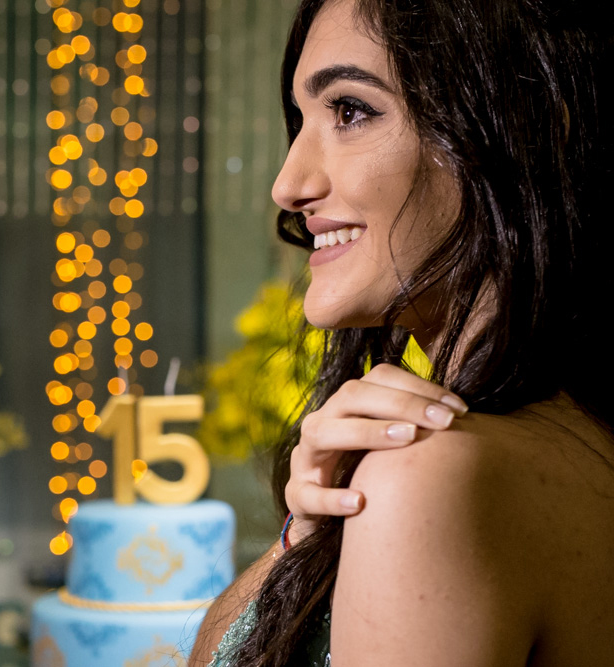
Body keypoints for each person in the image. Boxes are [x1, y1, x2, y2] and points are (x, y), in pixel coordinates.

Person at [189, 0, 614, 665]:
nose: (288, 184)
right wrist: (304, 534)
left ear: (511, 131)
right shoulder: (577, 439)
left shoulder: (434, 474)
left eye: (351, 111)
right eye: (301, 122)